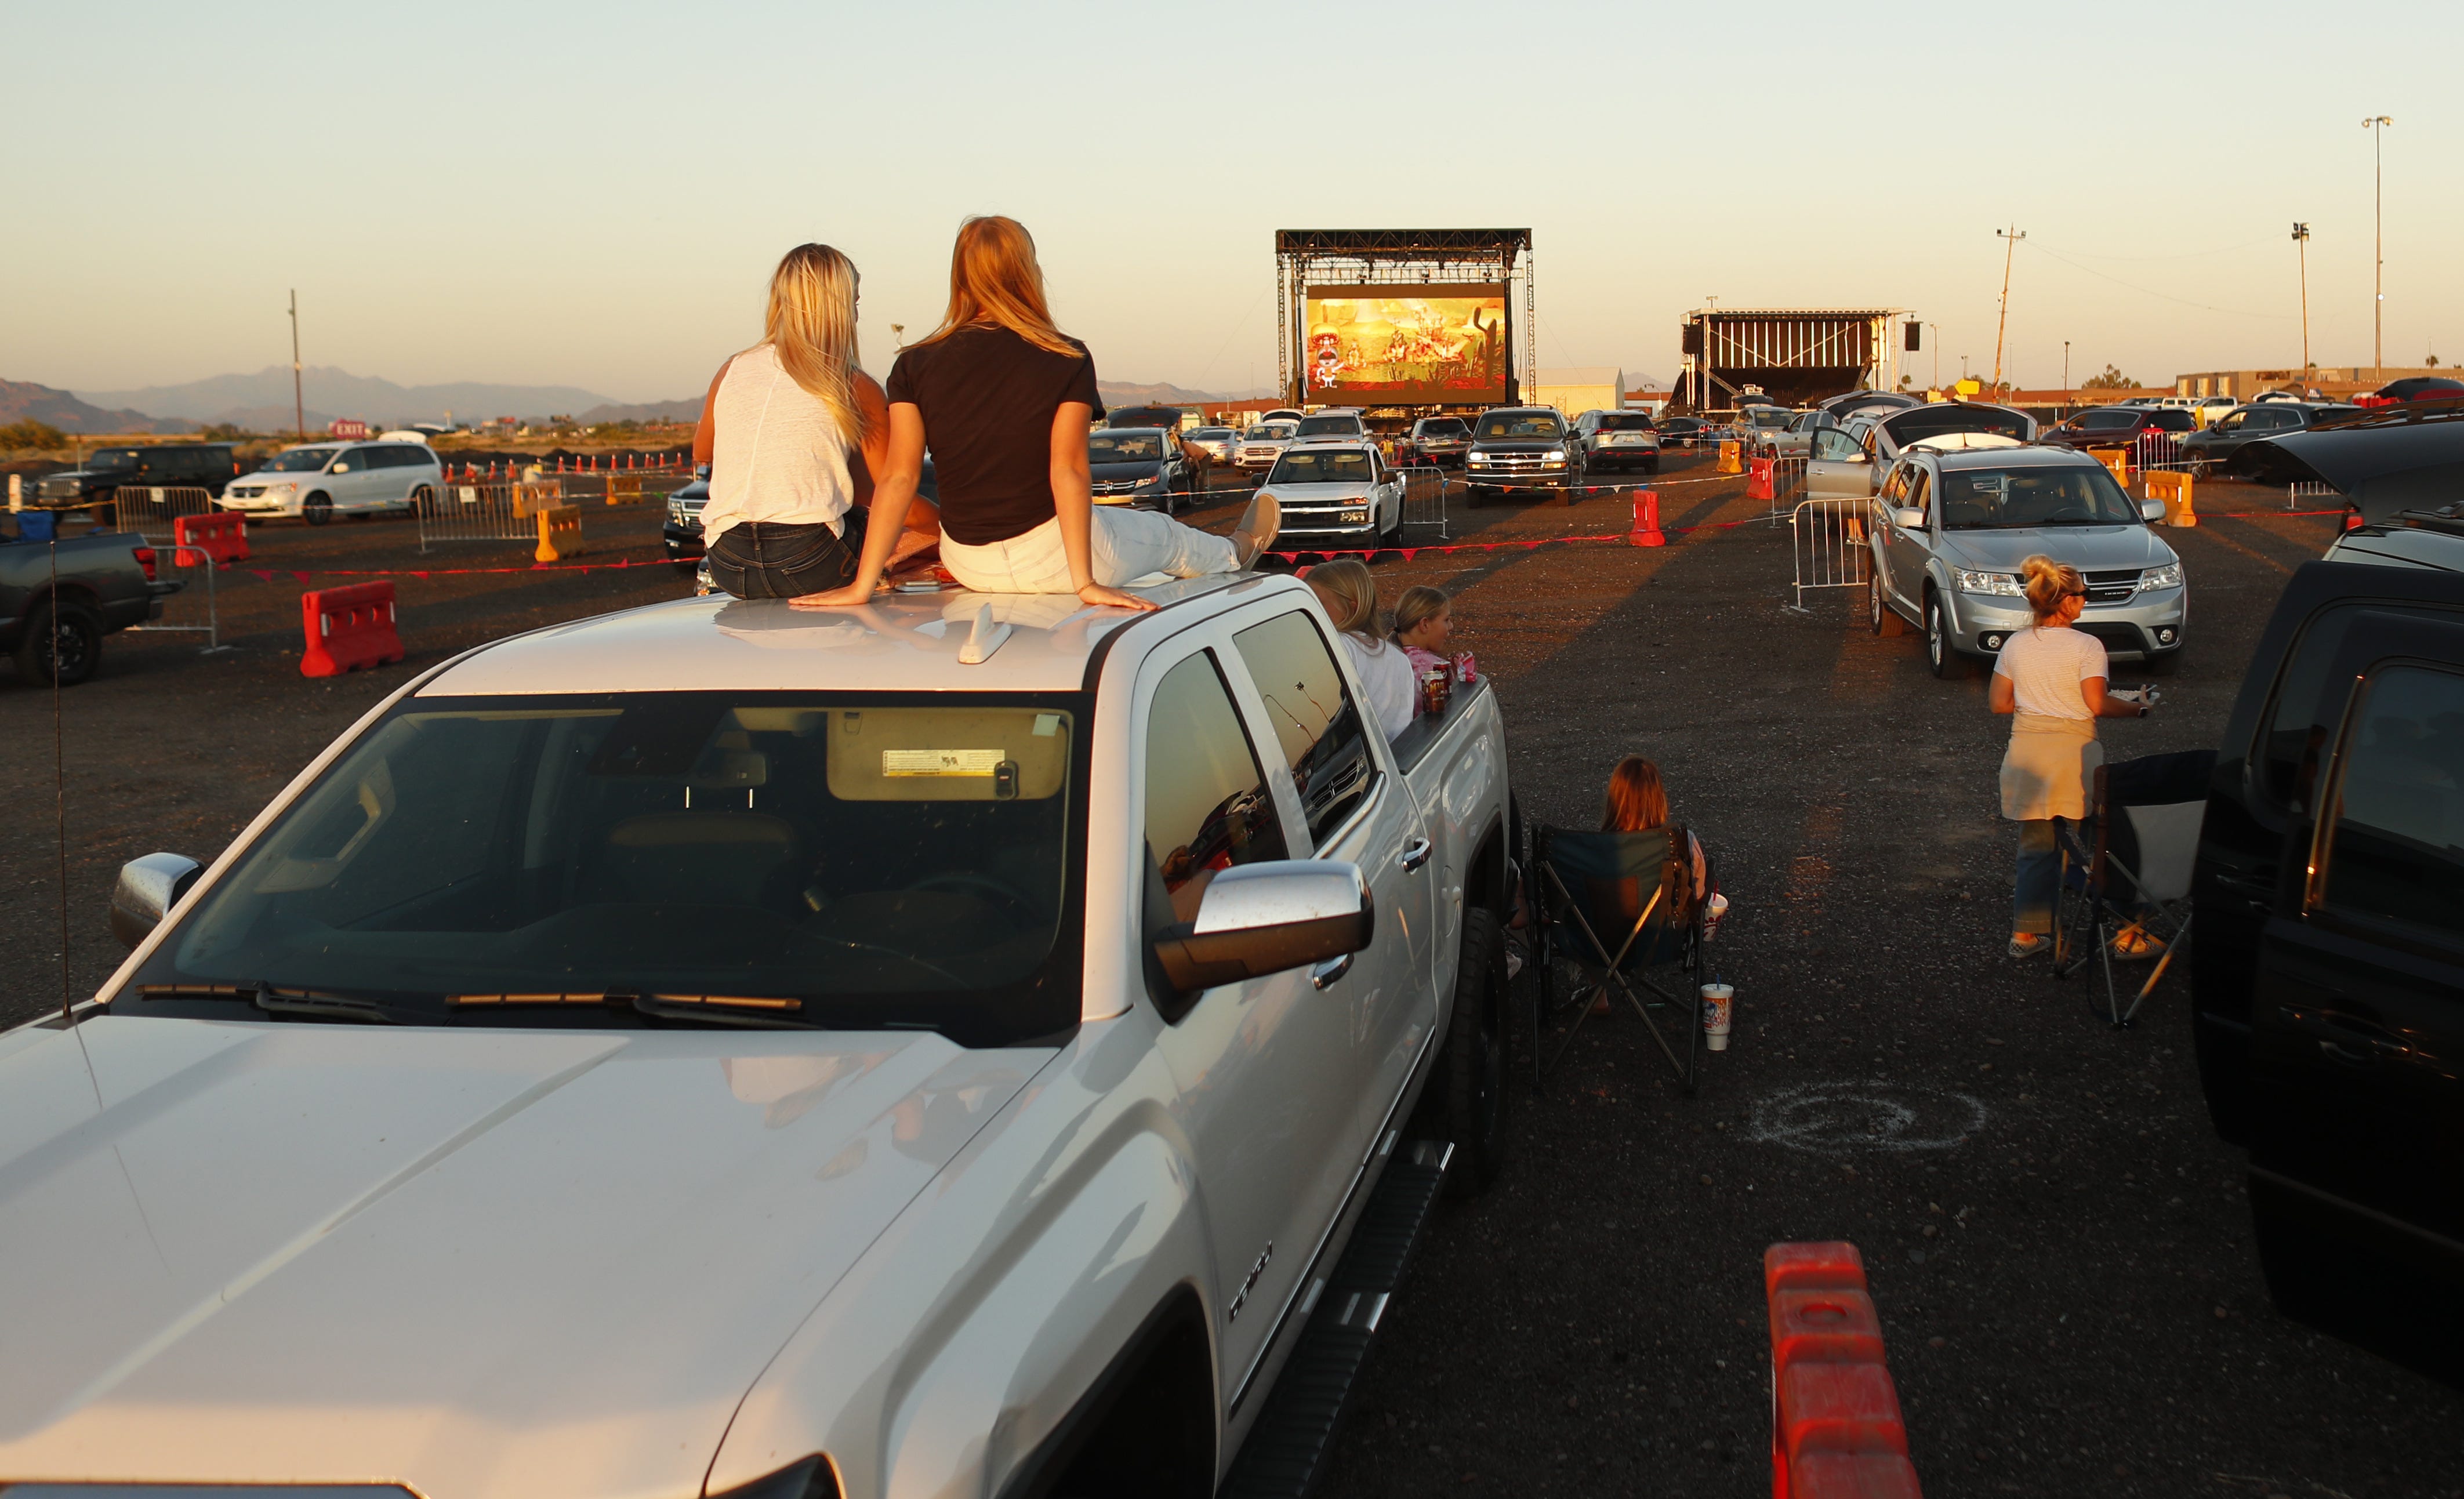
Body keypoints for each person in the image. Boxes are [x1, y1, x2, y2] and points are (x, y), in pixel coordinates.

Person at [796, 216, 1276, 613]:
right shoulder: (1065, 356)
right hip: (1056, 559)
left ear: (959, 276)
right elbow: (1066, 469)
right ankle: (1235, 551)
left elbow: (898, 479)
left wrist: (861, 586)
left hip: (968, 562)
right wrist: (1085, 582)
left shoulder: (913, 364)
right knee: (1164, 536)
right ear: (1027, 271)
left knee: (1137, 533)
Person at [690, 244, 939, 600]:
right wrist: (949, 530)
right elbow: (895, 493)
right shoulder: (853, 385)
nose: (856, 315)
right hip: (810, 563)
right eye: (853, 303)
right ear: (837, 309)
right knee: (902, 533)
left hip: (728, 565)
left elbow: (703, 451)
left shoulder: (733, 369)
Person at [1990, 554, 2157, 959]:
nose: (2086, 599)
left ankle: (2025, 936)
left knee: (2035, 847)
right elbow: (2096, 703)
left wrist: (2041, 700)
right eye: (2083, 594)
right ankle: (2127, 931)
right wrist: (2138, 707)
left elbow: (1999, 702)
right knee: (2105, 844)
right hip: (2073, 757)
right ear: (2065, 602)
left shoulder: (2015, 643)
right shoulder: (2087, 646)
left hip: (2027, 754)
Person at [1305, 558, 1414, 740]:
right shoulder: (1399, 657)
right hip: (1393, 758)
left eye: (1318, 602)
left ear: (1352, 607)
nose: (1309, 609)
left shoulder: (1336, 646)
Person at [1601, 755, 1710, 908]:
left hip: (1602, 930)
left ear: (1614, 802)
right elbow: (1697, 896)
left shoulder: (1595, 848)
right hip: (1665, 929)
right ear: (1659, 799)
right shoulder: (1682, 843)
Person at [1392, 585, 1453, 675]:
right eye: (1446, 620)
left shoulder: (1385, 657)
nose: (1451, 626)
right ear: (1425, 625)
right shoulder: (1434, 670)